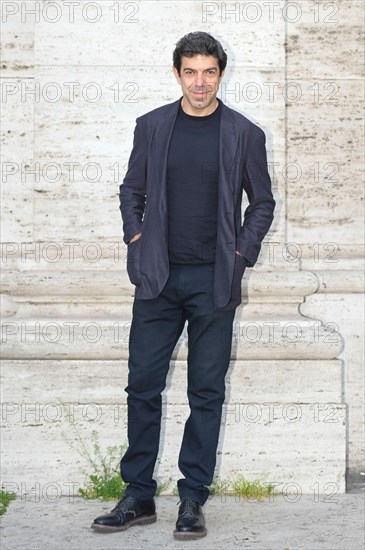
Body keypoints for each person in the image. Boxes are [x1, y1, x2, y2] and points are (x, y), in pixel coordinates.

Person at [92, 31, 275, 540]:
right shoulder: (152, 126)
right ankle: (138, 495)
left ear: (221, 74)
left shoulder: (244, 134)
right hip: (157, 277)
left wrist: (241, 254)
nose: (200, 81)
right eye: (190, 71)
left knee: (206, 393)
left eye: (209, 72)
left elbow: (262, 202)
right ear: (177, 74)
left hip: (214, 279)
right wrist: (136, 239)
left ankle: (192, 499)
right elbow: (132, 189)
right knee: (142, 386)